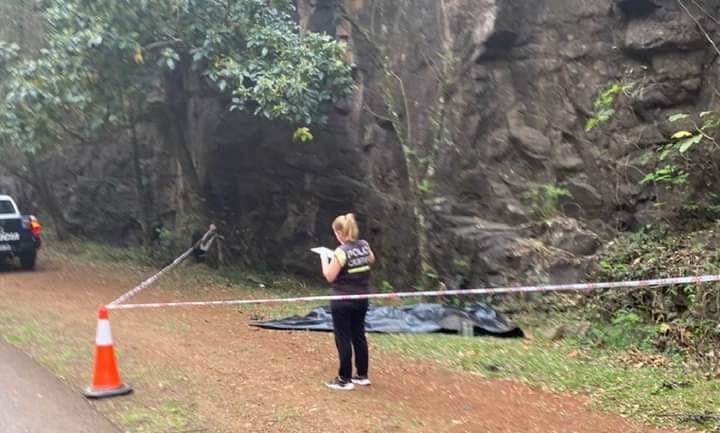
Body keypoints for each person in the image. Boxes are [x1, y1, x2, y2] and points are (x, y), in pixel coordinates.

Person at [320, 213, 376, 390]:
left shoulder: (340, 252)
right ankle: (362, 375)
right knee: (358, 334)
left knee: (343, 337)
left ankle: (344, 379)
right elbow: (371, 259)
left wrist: (324, 258)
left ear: (339, 233)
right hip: (361, 298)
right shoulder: (364, 245)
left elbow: (329, 276)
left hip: (342, 300)